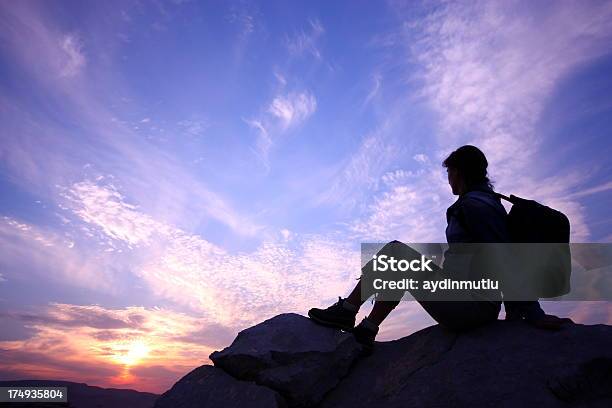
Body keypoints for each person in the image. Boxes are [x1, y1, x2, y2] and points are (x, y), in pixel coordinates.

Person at [308, 145, 571, 351]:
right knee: (399, 265)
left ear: (459, 172)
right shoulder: (486, 202)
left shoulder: (475, 206)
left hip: (471, 307)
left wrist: (533, 314)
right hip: (468, 299)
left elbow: (503, 256)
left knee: (395, 254)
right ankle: (366, 329)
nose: (448, 181)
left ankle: (348, 312)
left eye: (449, 173)